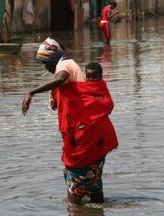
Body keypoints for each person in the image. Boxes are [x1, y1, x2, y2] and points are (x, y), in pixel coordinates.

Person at [22, 37, 118, 204]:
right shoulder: (69, 64)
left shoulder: (63, 66)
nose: (46, 68)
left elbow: (60, 78)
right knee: (95, 187)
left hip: (84, 137)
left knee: (74, 199)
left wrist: (31, 92)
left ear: (53, 58)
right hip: (93, 134)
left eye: (45, 63)